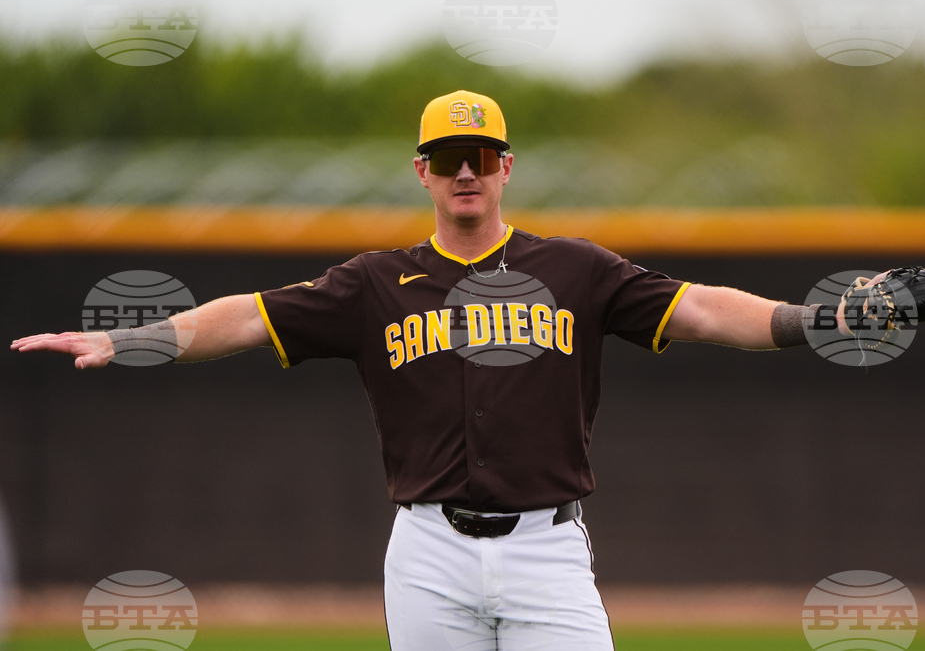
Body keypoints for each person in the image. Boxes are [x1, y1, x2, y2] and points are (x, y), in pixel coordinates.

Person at [11, 90, 872, 650]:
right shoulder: (374, 284)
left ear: (506, 168)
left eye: (484, 155)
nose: (468, 171)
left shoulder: (576, 269)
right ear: (422, 171)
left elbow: (702, 310)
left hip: (546, 548)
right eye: (450, 157)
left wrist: (818, 319)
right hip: (428, 550)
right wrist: (130, 339)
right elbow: (247, 315)